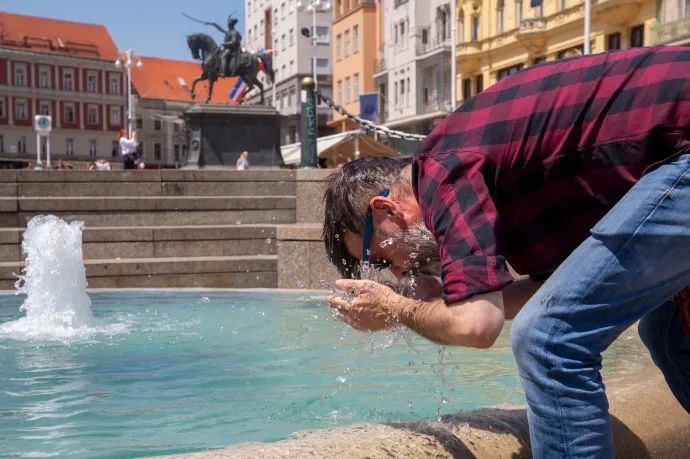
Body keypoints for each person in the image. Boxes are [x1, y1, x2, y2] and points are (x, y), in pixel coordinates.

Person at [323, 46, 690, 458]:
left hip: (683, 144)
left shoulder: (441, 171)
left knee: (547, 339)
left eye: (380, 257)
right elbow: (552, 290)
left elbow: (479, 325)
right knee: (669, 333)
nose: (395, 271)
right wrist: (440, 301)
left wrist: (397, 310)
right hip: (672, 149)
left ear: (387, 209)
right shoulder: (486, 174)